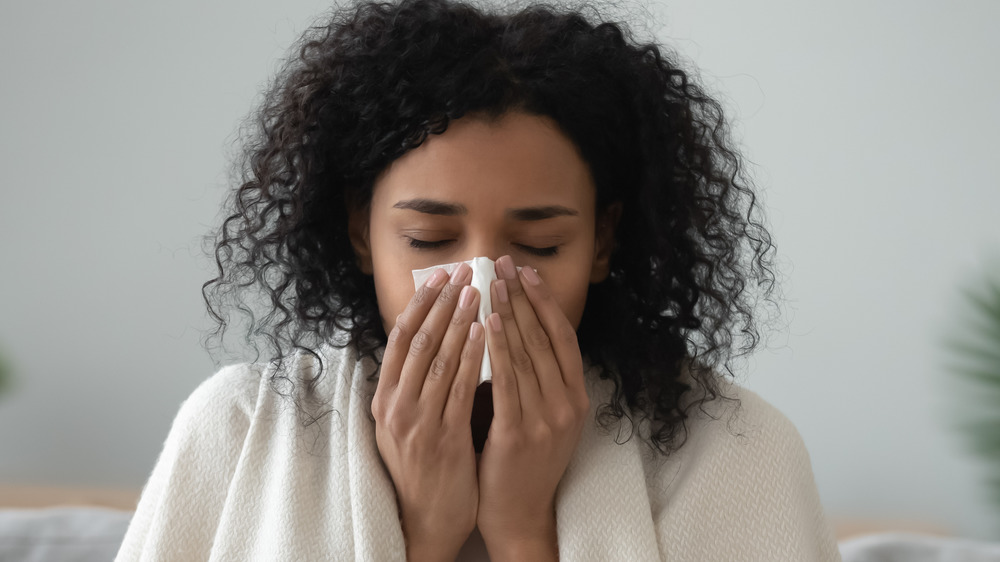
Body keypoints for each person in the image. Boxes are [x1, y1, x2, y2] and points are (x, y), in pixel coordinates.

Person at [117, 0, 842, 559]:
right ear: (357, 232)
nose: (483, 286)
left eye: (539, 243)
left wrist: (524, 534)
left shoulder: (739, 452)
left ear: (602, 242)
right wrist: (426, 534)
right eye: (429, 239)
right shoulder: (240, 431)